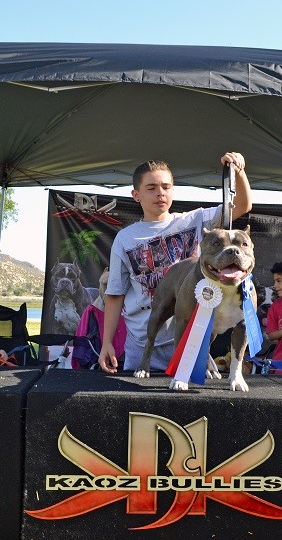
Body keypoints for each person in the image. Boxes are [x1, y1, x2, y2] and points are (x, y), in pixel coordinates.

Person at [98, 152, 253, 374]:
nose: (160, 192)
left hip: (192, 343)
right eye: (151, 187)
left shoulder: (196, 220)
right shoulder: (124, 238)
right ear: (136, 195)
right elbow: (115, 294)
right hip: (143, 348)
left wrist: (238, 171)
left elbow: (242, 205)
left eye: (166, 186)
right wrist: (106, 342)